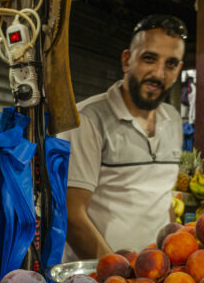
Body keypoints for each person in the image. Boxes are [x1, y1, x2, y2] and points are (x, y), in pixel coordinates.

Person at [62, 14, 187, 260]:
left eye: (170, 64)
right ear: (127, 60)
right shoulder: (87, 119)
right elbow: (71, 215)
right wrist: (119, 275)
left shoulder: (173, 120)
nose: (158, 73)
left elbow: (163, 201)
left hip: (155, 279)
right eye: (149, 59)